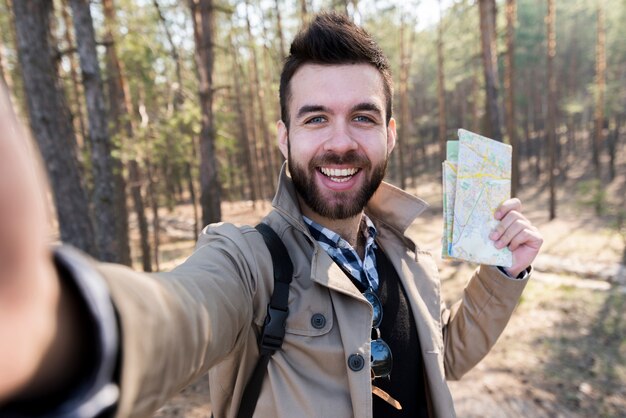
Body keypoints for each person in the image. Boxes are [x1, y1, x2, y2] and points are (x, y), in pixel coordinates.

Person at [0, 12, 543, 418]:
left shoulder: (404, 253)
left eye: (362, 116)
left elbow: (438, 359)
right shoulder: (249, 262)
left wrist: (503, 275)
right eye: (314, 119)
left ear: (390, 134)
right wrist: (53, 326)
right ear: (283, 137)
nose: (340, 142)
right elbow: (180, 313)